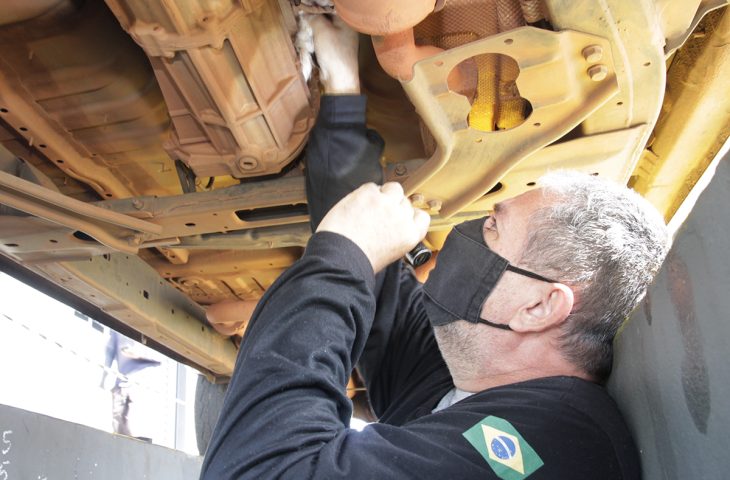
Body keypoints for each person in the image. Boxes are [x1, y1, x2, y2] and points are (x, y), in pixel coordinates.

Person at [200, 15, 670, 479]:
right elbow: (377, 288)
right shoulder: (469, 379)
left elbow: (260, 472)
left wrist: (340, 256)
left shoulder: (556, 449)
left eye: (492, 228)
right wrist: (342, 88)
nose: (466, 235)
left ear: (539, 306)